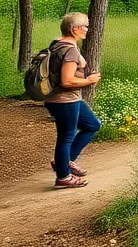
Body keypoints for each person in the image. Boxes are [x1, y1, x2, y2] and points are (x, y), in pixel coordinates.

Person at [44, 12, 102, 189]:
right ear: (75, 29)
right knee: (66, 137)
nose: (87, 29)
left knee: (92, 125)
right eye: (85, 26)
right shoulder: (70, 50)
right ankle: (63, 177)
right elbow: (67, 80)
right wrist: (88, 81)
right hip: (65, 100)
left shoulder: (57, 44)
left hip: (60, 99)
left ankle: (65, 161)